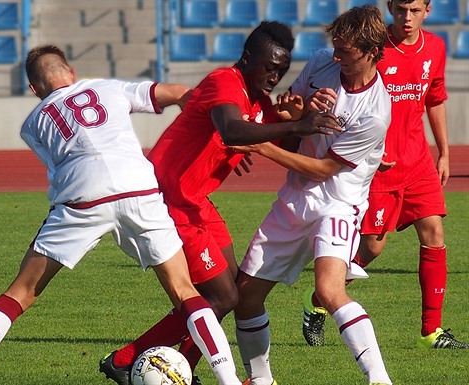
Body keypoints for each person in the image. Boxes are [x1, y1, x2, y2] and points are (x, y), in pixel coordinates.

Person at [0, 45, 246, 385]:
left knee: (20, 293)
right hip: (139, 188)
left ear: (34, 89)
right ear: (71, 72)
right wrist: (217, 134)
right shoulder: (106, 87)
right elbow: (182, 94)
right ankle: (229, 381)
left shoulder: (33, 123)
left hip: (82, 199)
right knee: (184, 290)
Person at [99, 21, 340, 385]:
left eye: (282, 70)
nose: (275, 77)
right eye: (269, 66)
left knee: (234, 292)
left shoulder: (256, 99)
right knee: (222, 296)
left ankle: (180, 368)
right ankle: (125, 361)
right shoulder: (224, 82)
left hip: (196, 202)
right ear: (247, 58)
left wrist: (296, 117)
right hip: (170, 200)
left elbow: (273, 142)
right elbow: (232, 129)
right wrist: (294, 126)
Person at [233, 6, 394, 385]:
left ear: (371, 51)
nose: (336, 55)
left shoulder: (375, 112)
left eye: (346, 50)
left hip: (339, 202)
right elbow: (289, 122)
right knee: (245, 295)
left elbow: (324, 169)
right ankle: (261, 380)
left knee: (329, 289)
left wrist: (260, 148)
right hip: (295, 197)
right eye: (335, 46)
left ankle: (379, 379)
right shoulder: (322, 61)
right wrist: (295, 113)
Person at [302, 0, 469, 350]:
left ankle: (431, 331)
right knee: (373, 247)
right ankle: (319, 300)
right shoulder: (374, 51)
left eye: (414, 10)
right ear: (391, 8)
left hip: (419, 161)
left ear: (428, 9)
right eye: (400, 10)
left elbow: (434, 99)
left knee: (434, 232)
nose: (406, 18)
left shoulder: (435, 47)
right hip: (378, 167)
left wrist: (444, 151)